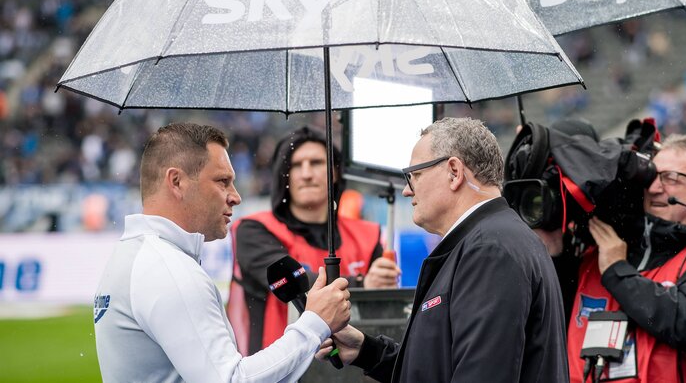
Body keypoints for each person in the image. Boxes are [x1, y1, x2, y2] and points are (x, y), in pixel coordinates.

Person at [315, 117, 569, 382]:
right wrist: (368, 351)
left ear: (454, 172)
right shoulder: (493, 240)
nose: (406, 190)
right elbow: (443, 367)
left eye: (414, 175)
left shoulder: (490, 250)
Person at [93, 123, 352, 382]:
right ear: (177, 182)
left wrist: (311, 333)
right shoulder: (168, 268)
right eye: (222, 181)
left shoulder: (138, 254)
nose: (235, 197)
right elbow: (231, 380)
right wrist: (313, 324)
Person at [566, 134, 686, 383]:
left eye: (670, 178)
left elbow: (685, 322)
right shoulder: (599, 251)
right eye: (651, 176)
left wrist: (618, 271)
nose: (654, 188)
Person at [227, 126, 399, 356]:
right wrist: (363, 284)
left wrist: (383, 284)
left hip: (354, 370)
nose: (307, 173)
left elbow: (384, 310)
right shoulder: (253, 230)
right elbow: (290, 281)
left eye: (317, 163)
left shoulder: (369, 235)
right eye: (296, 165)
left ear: (336, 173)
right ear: (284, 176)